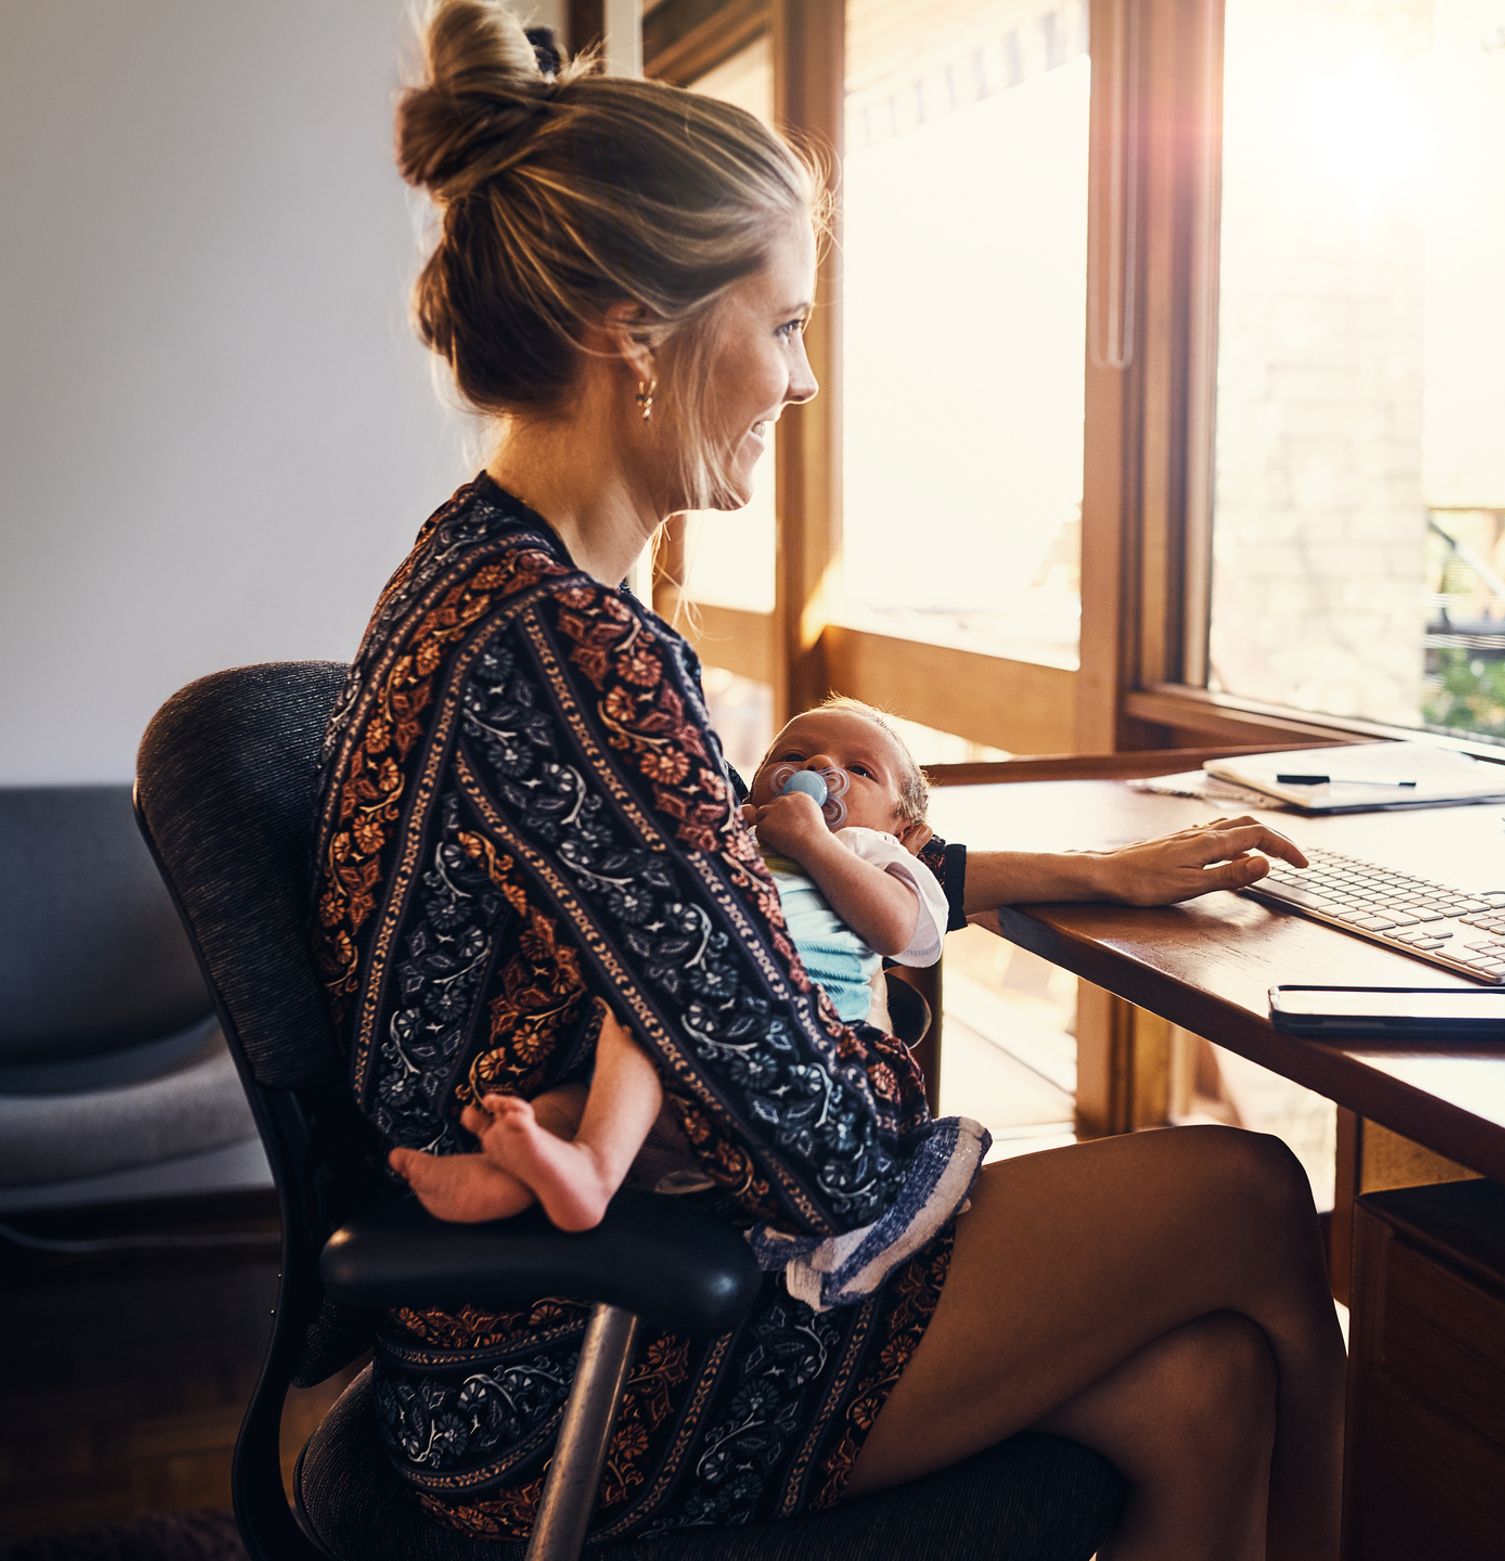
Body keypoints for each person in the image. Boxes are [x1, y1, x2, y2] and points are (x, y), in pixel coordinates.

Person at [308, 4, 1345, 1557]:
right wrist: (875, 986)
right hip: (576, 1370)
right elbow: (824, 1151)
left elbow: (702, 909)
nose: (799, 380)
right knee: (1251, 1194)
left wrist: (1063, 879)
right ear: (631, 332)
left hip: (514, 1330)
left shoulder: (472, 573)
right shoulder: (570, 650)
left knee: (1201, 1395)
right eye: (782, 323)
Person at [388, 700, 960, 1276]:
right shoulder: (736, 834)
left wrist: (814, 841)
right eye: (791, 755)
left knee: (651, 1000)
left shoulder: (881, 856)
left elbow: (895, 928)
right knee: (583, 1082)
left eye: (860, 770)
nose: (818, 764)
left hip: (809, 1047)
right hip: (690, 1048)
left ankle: (590, 1165)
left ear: (905, 830)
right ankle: (519, 1175)